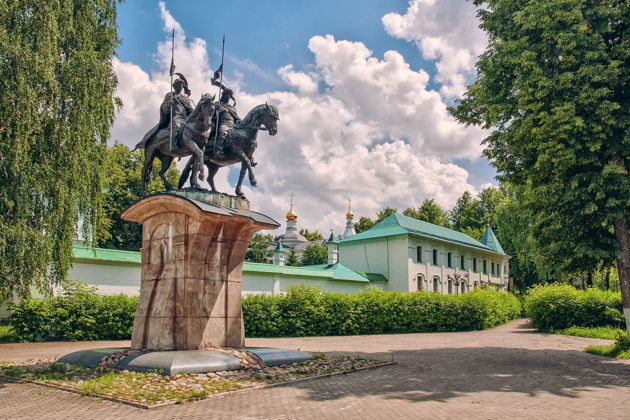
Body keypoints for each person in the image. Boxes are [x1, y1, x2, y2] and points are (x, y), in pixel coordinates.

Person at [133, 76, 194, 151]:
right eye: (179, 84)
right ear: (175, 86)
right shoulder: (170, 95)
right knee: (175, 125)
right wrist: (169, 104)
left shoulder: (186, 98)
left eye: (181, 85)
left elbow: (190, 109)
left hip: (186, 118)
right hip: (176, 117)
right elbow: (164, 107)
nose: (181, 86)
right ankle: (173, 144)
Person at [212, 88, 241, 159]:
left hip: (233, 125)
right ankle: (218, 149)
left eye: (229, 95)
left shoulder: (232, 108)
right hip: (223, 124)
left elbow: (237, 118)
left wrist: (240, 121)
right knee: (224, 133)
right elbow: (211, 113)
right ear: (223, 95)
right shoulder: (218, 104)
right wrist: (217, 111)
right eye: (227, 95)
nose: (228, 96)